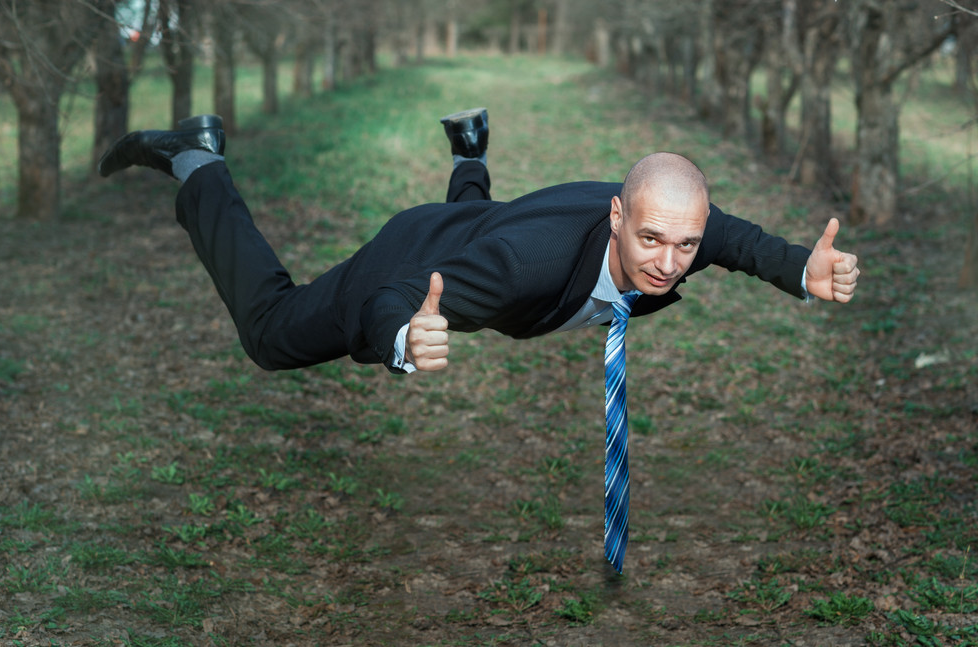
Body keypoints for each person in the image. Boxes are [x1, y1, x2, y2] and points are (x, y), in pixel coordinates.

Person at [98, 108, 859, 572]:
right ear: (619, 216)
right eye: (652, 238)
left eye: (685, 245)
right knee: (269, 332)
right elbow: (400, 297)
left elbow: (735, 236)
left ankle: (470, 154)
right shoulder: (520, 270)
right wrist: (402, 335)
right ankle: (198, 160)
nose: (669, 262)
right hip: (419, 258)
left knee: (482, 230)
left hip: (484, 234)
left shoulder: (687, 225)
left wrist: (801, 268)